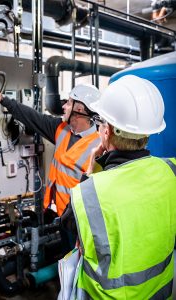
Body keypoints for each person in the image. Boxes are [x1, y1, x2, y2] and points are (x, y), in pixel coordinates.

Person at [69, 75, 176, 299]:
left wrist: (91, 170)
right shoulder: (171, 170)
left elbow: (67, 235)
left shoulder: (88, 193)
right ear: (147, 133)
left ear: (106, 132)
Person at [0, 79, 100, 215]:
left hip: (80, 220)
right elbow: (33, 117)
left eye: (69, 102)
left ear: (79, 109)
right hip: (61, 214)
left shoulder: (99, 147)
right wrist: (2, 99)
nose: (64, 106)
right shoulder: (61, 129)